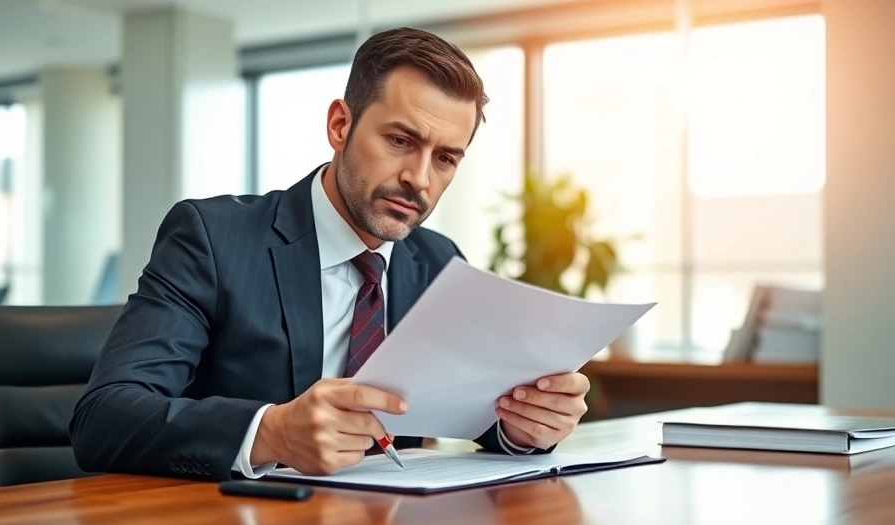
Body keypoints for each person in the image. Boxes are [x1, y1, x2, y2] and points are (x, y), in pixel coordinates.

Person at [69, 27, 589, 481]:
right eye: (401, 140)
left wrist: (523, 427)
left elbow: (472, 413)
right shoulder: (212, 237)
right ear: (340, 126)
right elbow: (104, 418)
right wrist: (270, 433)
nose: (420, 178)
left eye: (446, 158)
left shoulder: (438, 263)